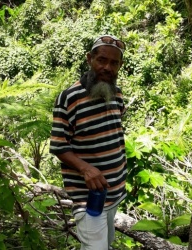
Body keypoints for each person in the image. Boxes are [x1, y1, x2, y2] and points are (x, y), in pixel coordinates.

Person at [50, 35, 127, 250]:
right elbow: (58, 145)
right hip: (88, 197)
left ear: (120, 66)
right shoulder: (69, 97)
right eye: (101, 60)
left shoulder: (116, 94)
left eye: (114, 63)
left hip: (114, 191)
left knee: (106, 245)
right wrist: (86, 169)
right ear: (89, 59)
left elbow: (114, 131)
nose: (107, 67)